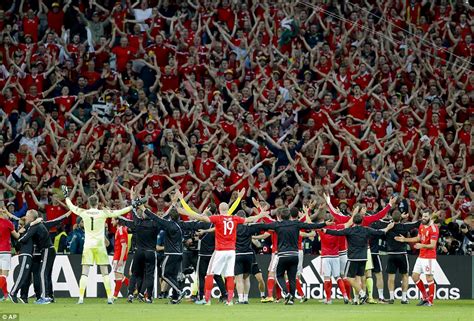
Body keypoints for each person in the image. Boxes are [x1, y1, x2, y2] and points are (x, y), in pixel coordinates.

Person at [178, 188, 268, 306]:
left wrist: (184, 212)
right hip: (231, 251)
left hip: (220, 250)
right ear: (227, 210)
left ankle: (207, 300)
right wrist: (261, 214)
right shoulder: (234, 218)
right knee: (229, 275)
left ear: (220, 210)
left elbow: (200, 217)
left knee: (210, 273)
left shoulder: (217, 218)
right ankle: (229, 301)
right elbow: (249, 219)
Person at [63, 186, 133, 304]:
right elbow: (119, 212)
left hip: (88, 246)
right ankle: (110, 297)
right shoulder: (102, 213)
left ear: (89, 204)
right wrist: (132, 205)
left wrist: (66, 196)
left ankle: (80, 298)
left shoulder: (83, 212)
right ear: (97, 203)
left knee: (84, 272)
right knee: (104, 272)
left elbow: (71, 206)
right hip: (100, 246)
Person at [259, 208, 329, 305]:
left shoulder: (277, 225)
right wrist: (324, 224)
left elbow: (262, 225)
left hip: (281, 254)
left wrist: (250, 225)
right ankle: (292, 299)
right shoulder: (296, 224)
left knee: (278, 275)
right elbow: (311, 225)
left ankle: (282, 294)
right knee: (292, 277)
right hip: (295, 253)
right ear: (290, 216)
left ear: (279, 216)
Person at [323, 214, 394, 305]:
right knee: (358, 278)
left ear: (353, 222)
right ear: (362, 221)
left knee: (349, 278)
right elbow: (379, 232)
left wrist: (326, 231)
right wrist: (388, 227)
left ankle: (362, 294)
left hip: (353, 258)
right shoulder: (366, 230)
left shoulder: (350, 230)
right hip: (364, 258)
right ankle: (356, 300)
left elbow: (337, 232)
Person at [395, 211, 439, 306]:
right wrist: (405, 240)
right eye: (423, 216)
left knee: (429, 278)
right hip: (421, 256)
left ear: (430, 217)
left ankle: (430, 301)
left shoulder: (434, 229)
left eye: (426, 216)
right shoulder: (422, 226)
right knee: (415, 277)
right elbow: (418, 238)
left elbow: (433, 245)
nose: (423, 218)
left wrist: (421, 245)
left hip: (429, 257)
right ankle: (425, 297)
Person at [15, 209, 57, 304]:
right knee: (43, 274)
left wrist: (19, 238)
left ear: (30, 217)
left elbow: (24, 239)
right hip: (42, 252)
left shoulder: (34, 225)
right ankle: (46, 296)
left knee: (40, 274)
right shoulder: (34, 225)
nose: (25, 217)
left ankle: (43, 297)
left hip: (42, 251)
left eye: (27, 215)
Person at [377, 211, 420, 304]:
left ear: (392, 218)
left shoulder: (388, 227)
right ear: (401, 218)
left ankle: (391, 298)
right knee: (405, 276)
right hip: (402, 254)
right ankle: (404, 298)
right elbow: (417, 223)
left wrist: (392, 220)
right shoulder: (404, 226)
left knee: (391, 277)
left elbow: (380, 221)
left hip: (391, 255)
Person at [316, 212, 350, 304]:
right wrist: (354, 213)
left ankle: (329, 299)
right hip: (336, 255)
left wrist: (306, 213)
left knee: (327, 278)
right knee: (338, 277)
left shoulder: (321, 228)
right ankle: (345, 296)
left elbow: (310, 225)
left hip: (326, 256)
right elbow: (349, 223)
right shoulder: (338, 227)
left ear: (324, 220)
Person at [0, 209, 20, 301]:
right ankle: (4, 294)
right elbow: (17, 236)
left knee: (0, 275)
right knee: (4, 275)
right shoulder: (7, 223)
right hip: (5, 251)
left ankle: (5, 295)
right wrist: (21, 230)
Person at [111, 217, 129, 301]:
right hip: (117, 256)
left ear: (117, 221)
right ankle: (135, 289)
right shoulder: (119, 229)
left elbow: (124, 246)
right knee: (120, 276)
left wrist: (121, 259)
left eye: (113, 220)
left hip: (119, 257)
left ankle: (114, 296)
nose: (111, 222)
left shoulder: (121, 230)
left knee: (118, 276)